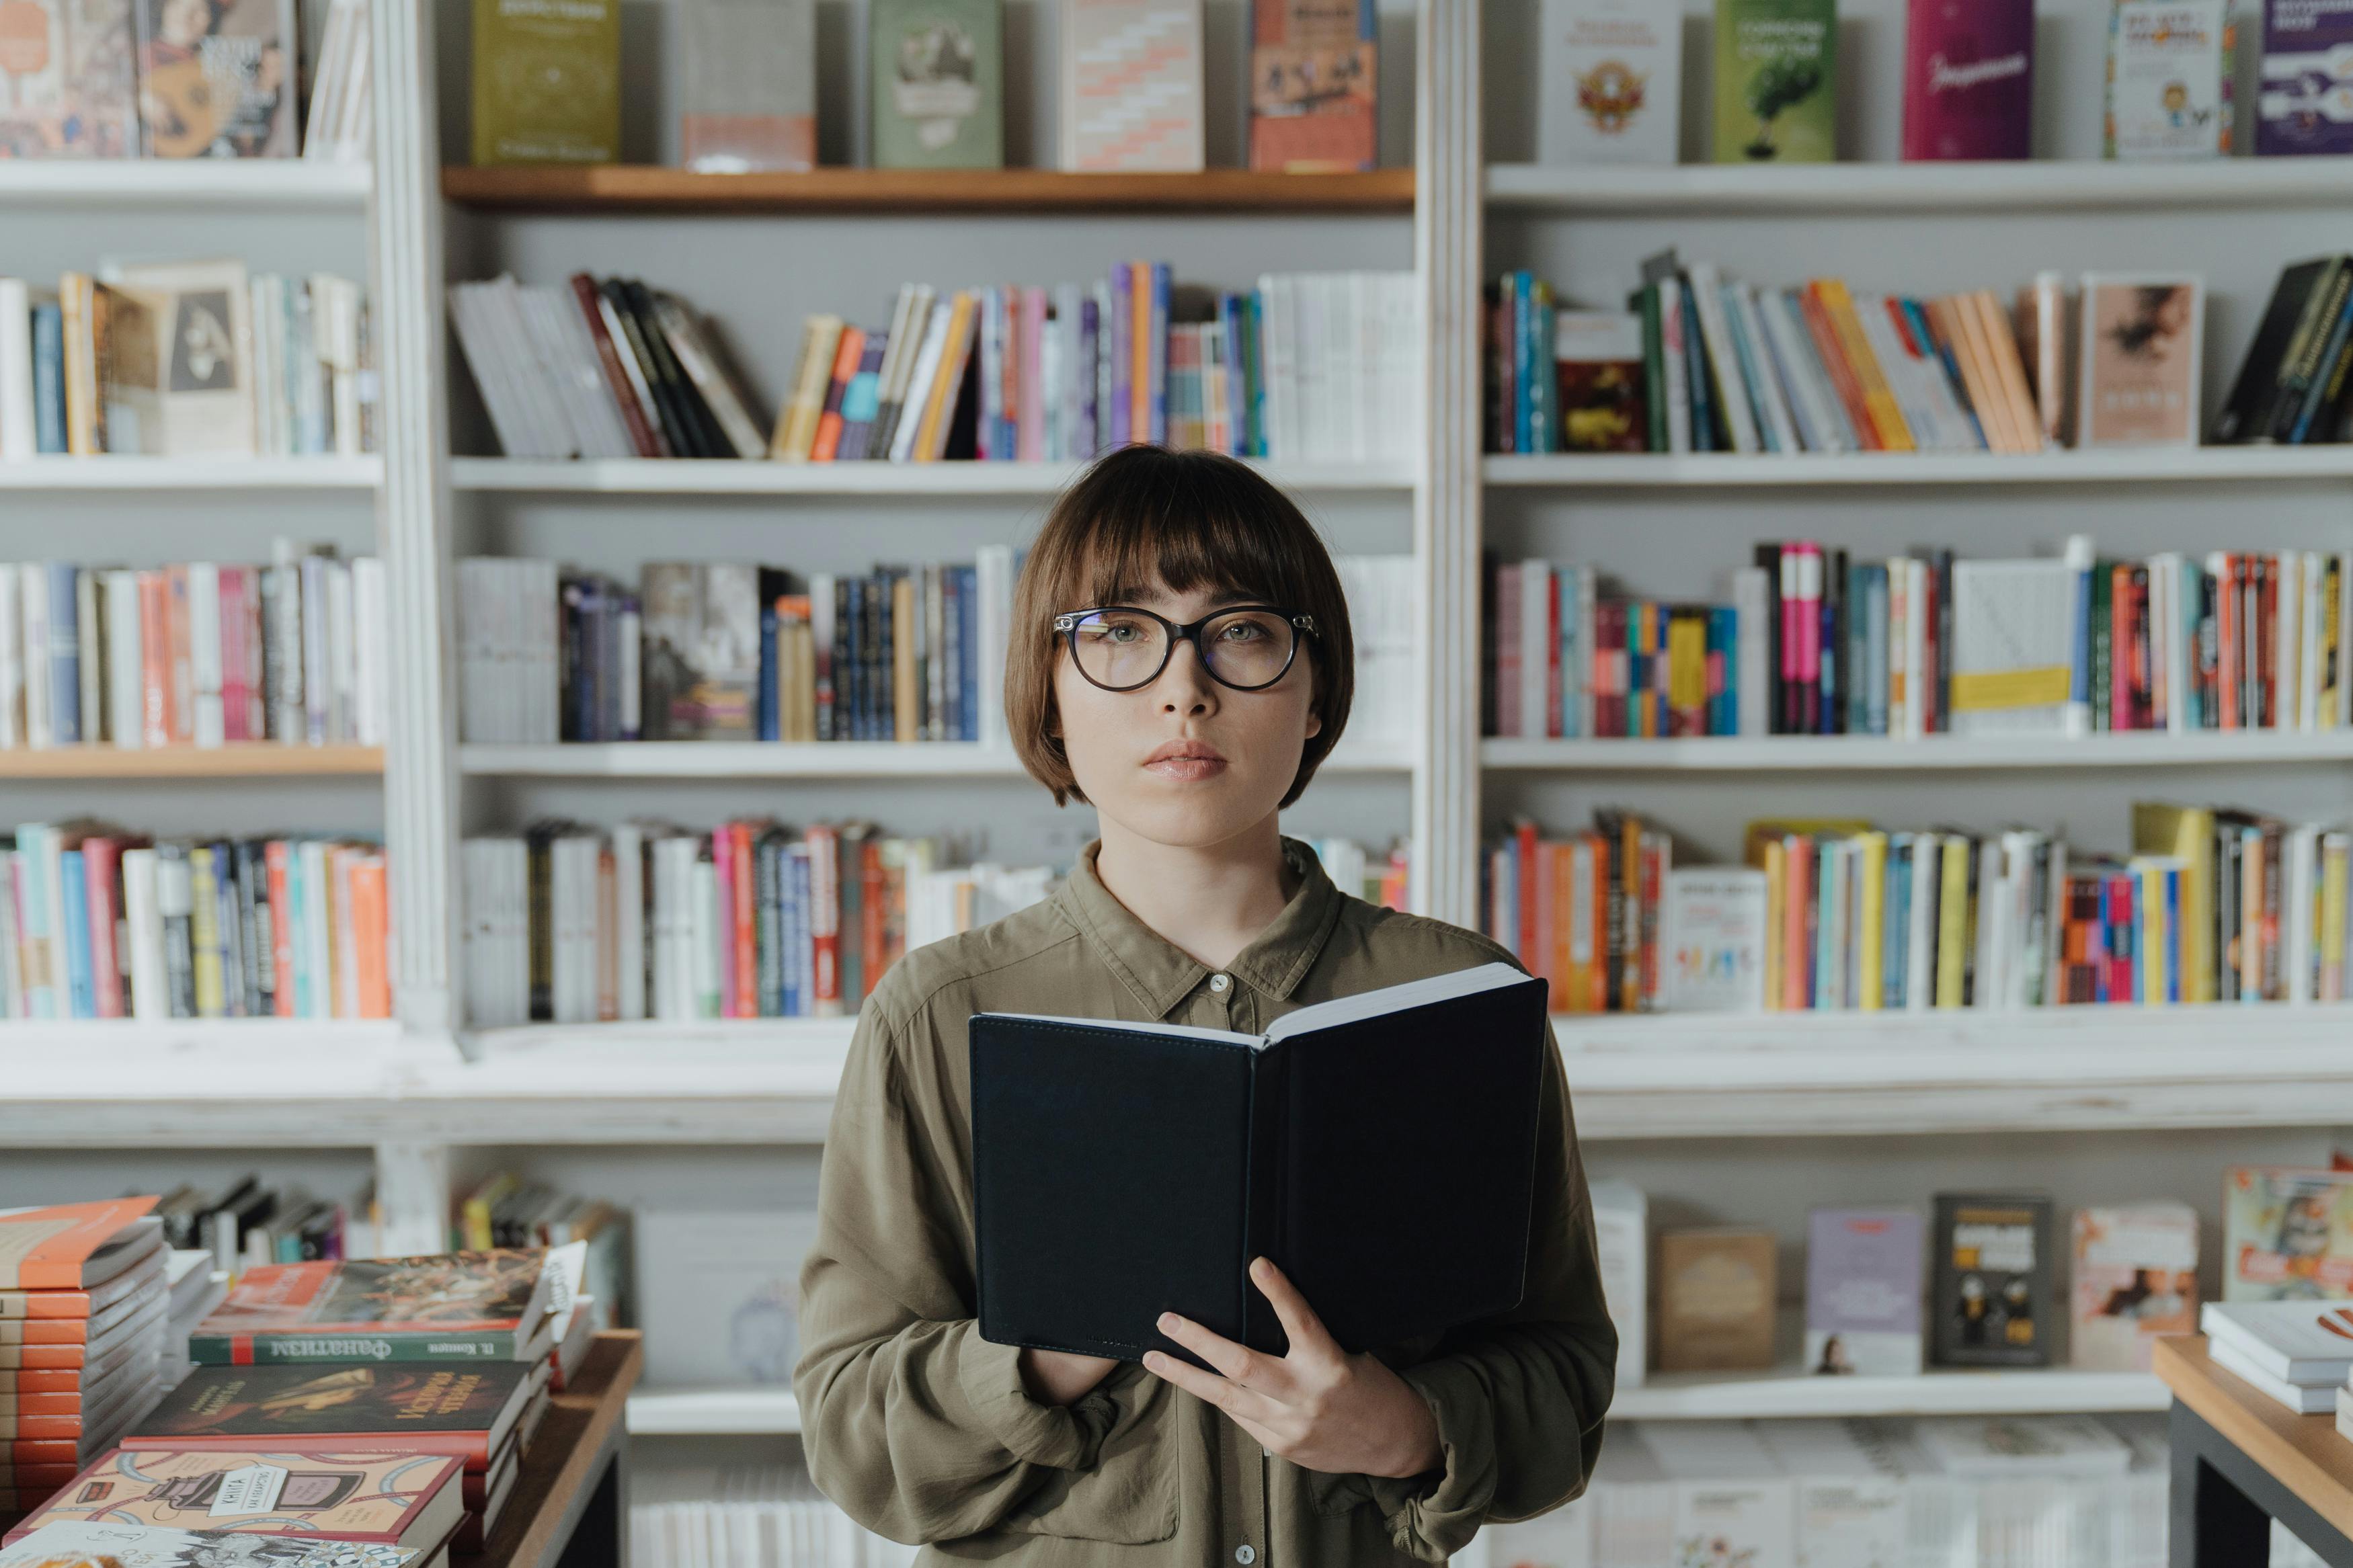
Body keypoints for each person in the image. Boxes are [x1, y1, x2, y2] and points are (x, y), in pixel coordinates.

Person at [793, 446, 1617, 1565]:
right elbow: (851, 1435)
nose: (1185, 687)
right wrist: (1052, 1349)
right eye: (1120, 632)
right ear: (1050, 689)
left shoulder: (1459, 997)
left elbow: (1564, 1380)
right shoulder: (939, 1012)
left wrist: (1401, 1427)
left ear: (1315, 688)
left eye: (1240, 631)